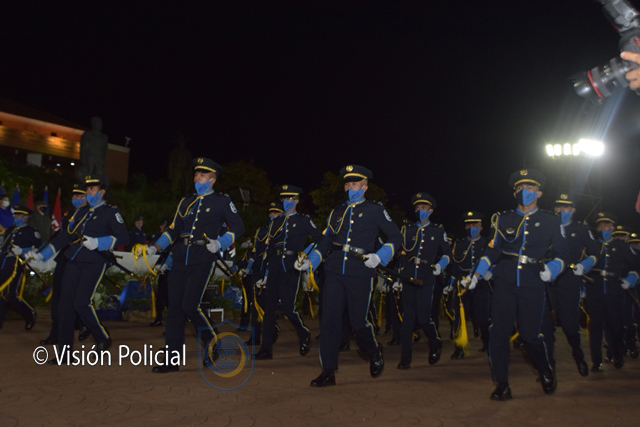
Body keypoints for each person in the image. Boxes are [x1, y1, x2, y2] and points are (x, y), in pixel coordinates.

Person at [465, 168, 569, 400]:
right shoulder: (502, 218)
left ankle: (544, 369)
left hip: (533, 281)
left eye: (530, 187)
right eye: (520, 188)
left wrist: (552, 269)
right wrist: (477, 274)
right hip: (504, 279)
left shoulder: (550, 221)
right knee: (498, 333)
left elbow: (563, 253)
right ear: (514, 193)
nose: (525, 191)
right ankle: (502, 383)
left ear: (539, 193)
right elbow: (492, 250)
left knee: (530, 335)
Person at [299, 165, 402, 387]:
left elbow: (396, 237)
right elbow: (326, 240)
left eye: (354, 184)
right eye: (347, 184)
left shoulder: (375, 210)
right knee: (329, 321)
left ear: (364, 187)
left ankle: (374, 350)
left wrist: (380, 256)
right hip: (334, 270)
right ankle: (328, 371)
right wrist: (312, 261)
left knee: (358, 322)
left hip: (360, 272)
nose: (349, 188)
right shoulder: (337, 212)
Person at [148, 157, 244, 373]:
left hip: (203, 257)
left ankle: (213, 342)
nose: (196, 178)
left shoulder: (221, 201)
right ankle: (171, 360)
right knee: (174, 310)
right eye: (196, 174)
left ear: (212, 180)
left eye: (202, 175)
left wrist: (220, 242)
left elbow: (238, 227)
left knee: (190, 306)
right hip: (181, 257)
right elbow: (173, 230)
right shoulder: (186, 202)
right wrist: (156, 247)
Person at [28, 174, 129, 364]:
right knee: (65, 306)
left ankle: (102, 337)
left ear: (102, 192)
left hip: (94, 261)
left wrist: (98, 242)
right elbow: (66, 236)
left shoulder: (110, 212)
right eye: (87, 189)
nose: (88, 192)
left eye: (92, 189)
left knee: (81, 303)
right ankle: (64, 354)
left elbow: (123, 237)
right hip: (73, 259)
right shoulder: (81, 213)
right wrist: (43, 254)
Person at [253, 185, 321, 360]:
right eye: (284, 199)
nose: (286, 202)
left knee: (287, 308)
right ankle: (266, 348)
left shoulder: (303, 220)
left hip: (291, 266)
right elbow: (269, 250)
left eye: (290, 199)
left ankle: (303, 332)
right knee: (269, 309)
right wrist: (265, 274)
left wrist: (306, 256)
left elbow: (320, 240)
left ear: (297, 201)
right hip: (275, 266)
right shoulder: (275, 222)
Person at [540, 193, 599, 377]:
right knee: (545, 327)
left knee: (569, 325)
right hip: (546, 281)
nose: (561, 211)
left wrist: (585, 265)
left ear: (573, 210)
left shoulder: (581, 229)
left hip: (569, 280)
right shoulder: (546, 227)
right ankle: (548, 368)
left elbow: (596, 253)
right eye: (558, 207)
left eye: (566, 207)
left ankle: (578, 355)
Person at [393, 193, 451, 369]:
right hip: (409, 277)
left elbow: (448, 253)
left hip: (426, 277)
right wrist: (398, 278)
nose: (420, 210)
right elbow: (402, 255)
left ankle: (435, 342)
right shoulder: (408, 229)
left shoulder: (437, 230)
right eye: (418, 207)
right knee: (407, 320)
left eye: (424, 208)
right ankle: (405, 358)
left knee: (424, 318)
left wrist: (440, 265)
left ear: (430, 211)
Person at [579, 212, 639, 372]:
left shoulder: (622, 246)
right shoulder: (592, 245)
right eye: (600, 226)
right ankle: (596, 361)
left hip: (614, 290)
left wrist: (632, 278)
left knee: (616, 326)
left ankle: (617, 355)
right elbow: (583, 267)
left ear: (612, 228)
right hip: (594, 290)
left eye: (606, 225)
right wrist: (583, 288)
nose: (603, 228)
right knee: (595, 327)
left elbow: (636, 265)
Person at [39, 183, 90, 345]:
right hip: (64, 259)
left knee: (73, 299)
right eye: (74, 196)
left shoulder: (90, 214)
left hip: (79, 260)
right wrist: (42, 251)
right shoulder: (70, 215)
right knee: (58, 299)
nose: (76, 198)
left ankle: (85, 324)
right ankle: (56, 334)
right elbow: (61, 235)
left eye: (80, 196)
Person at [450, 211, 490, 357]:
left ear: (481, 227)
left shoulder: (486, 243)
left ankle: (487, 342)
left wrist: (489, 272)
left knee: (482, 316)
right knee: (460, 317)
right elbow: (454, 266)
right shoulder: (459, 244)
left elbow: (494, 260)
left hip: (480, 283)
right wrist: (451, 283)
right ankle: (459, 347)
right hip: (462, 284)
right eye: (469, 225)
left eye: (475, 224)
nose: (472, 227)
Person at [242, 202, 283, 344]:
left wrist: (267, 275)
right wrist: (247, 269)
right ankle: (255, 337)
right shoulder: (261, 231)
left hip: (271, 271)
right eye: (271, 213)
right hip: (257, 270)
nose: (272, 215)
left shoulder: (282, 231)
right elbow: (255, 252)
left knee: (268, 305)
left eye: (276, 213)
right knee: (255, 305)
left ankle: (272, 332)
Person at [0, 205, 41, 330]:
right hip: (3, 263)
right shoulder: (10, 230)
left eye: (19, 215)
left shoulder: (31, 232)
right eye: (15, 215)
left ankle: (29, 313)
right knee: (3, 293)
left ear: (26, 217)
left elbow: (39, 248)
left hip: (16, 265)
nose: (16, 217)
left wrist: (22, 251)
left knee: (11, 295)